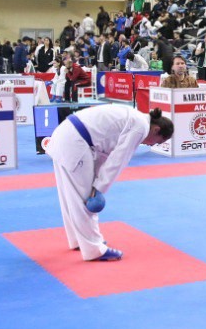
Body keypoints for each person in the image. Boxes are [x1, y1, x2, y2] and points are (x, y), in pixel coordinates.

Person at [45, 104, 174, 261]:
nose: (151, 144)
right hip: (75, 142)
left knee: (70, 197)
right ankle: (94, 249)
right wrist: (99, 188)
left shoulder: (135, 117)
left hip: (65, 135)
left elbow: (104, 153)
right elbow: (118, 159)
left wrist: (97, 181)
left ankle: (78, 239)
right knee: (85, 198)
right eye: (157, 142)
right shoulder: (141, 127)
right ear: (156, 130)